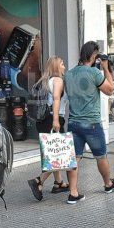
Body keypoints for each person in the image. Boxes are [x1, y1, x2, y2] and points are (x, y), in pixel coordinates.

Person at [64, 41, 114, 204]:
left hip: (73, 122)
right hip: (92, 123)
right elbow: (110, 90)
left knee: (74, 158)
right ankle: (108, 183)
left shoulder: (68, 74)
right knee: (100, 156)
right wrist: (105, 67)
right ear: (93, 55)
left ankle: (73, 192)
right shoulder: (94, 73)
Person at [27, 56, 71, 201]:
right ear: (57, 67)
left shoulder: (44, 81)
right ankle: (38, 181)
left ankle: (58, 183)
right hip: (52, 119)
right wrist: (56, 120)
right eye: (62, 64)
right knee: (59, 155)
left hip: (43, 121)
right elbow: (57, 100)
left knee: (53, 152)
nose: (64, 66)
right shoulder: (58, 80)